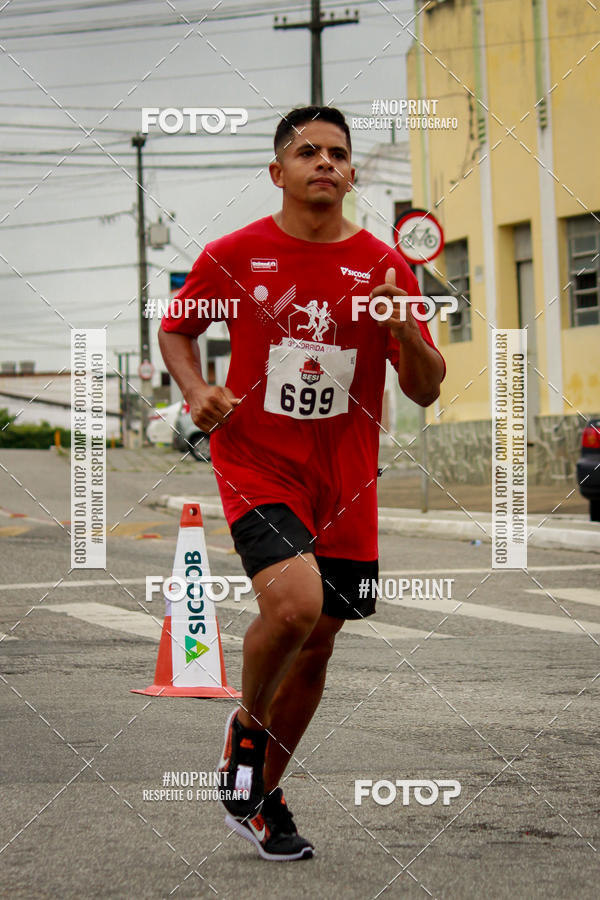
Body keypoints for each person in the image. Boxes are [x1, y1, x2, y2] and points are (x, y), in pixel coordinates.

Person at [158, 105, 446, 861]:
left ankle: (260, 793)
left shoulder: (388, 266)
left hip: (346, 479)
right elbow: (177, 327)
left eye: (338, 154)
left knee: (318, 646)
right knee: (293, 607)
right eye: (307, 151)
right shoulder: (235, 255)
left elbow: (425, 388)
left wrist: (404, 332)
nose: (326, 162)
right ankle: (246, 735)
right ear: (277, 171)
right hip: (258, 463)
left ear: (352, 173)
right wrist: (195, 391)